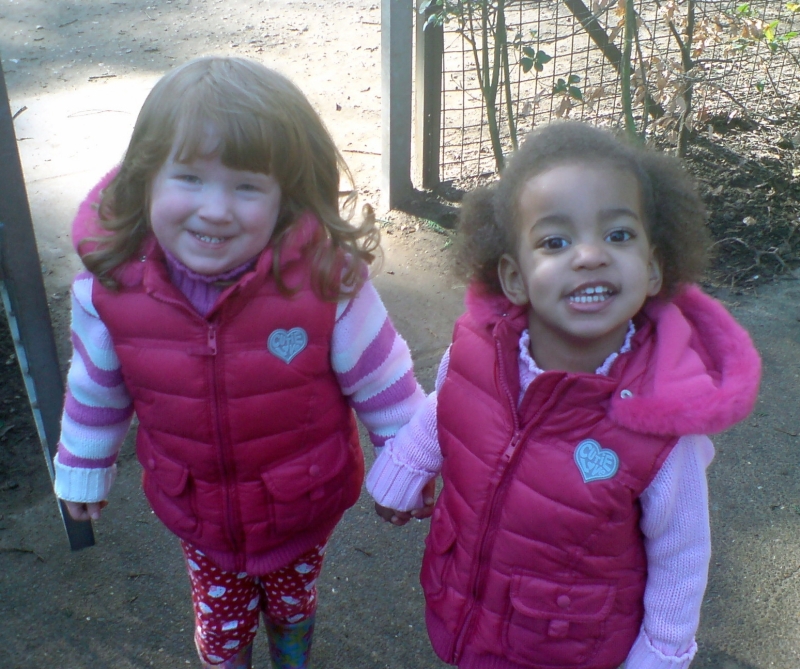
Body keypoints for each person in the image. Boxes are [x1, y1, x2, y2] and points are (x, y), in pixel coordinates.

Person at [53, 56, 425, 669]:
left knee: (293, 604)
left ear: (285, 197)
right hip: (197, 508)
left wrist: (407, 463)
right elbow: (96, 388)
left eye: (247, 186)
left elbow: (383, 380)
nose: (216, 209)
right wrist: (82, 463)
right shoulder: (111, 290)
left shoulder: (326, 282)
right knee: (221, 623)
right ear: (145, 178)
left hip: (301, 503)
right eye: (189, 178)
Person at [366, 121, 761, 669]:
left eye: (618, 235)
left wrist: (663, 650)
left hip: (571, 644)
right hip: (467, 600)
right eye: (556, 242)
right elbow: (450, 404)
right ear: (514, 278)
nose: (590, 255)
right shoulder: (480, 351)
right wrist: (405, 466)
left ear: (652, 268)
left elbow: (682, 551)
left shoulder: (662, 427)